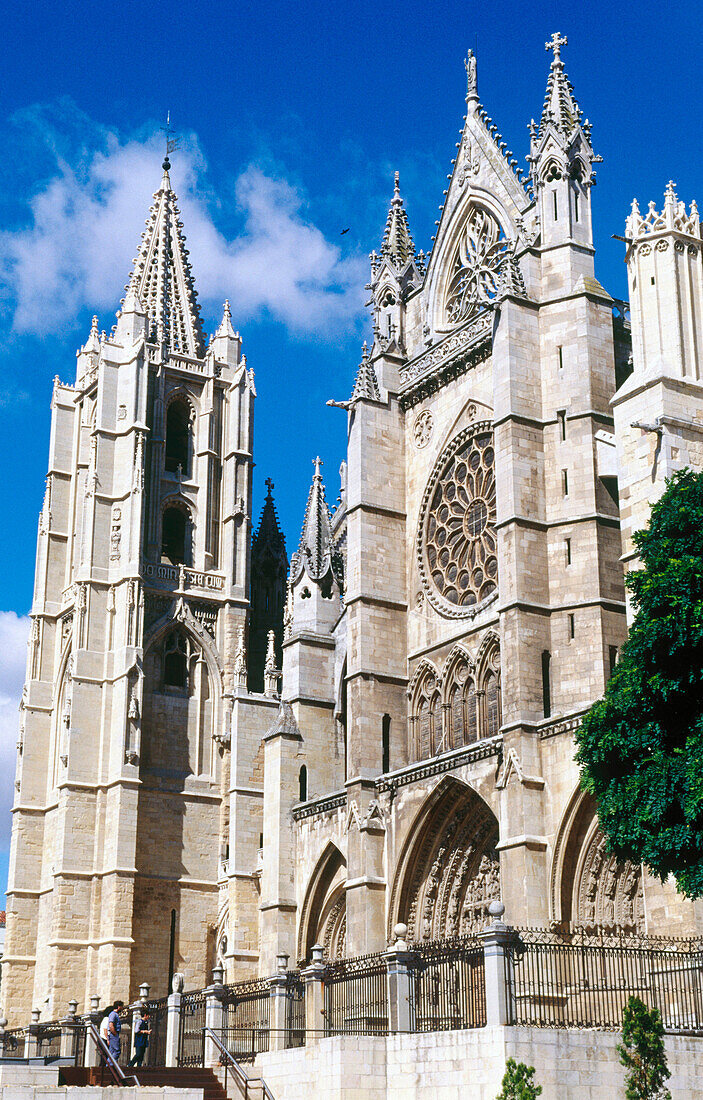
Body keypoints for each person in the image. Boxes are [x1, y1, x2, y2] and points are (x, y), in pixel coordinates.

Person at [107, 1000, 124, 1065]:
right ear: (119, 1007)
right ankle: (110, 1064)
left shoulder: (114, 1014)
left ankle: (109, 1065)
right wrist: (115, 1034)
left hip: (113, 1034)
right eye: (122, 1006)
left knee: (112, 1051)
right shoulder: (113, 1014)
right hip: (114, 1035)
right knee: (117, 1051)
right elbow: (111, 1025)